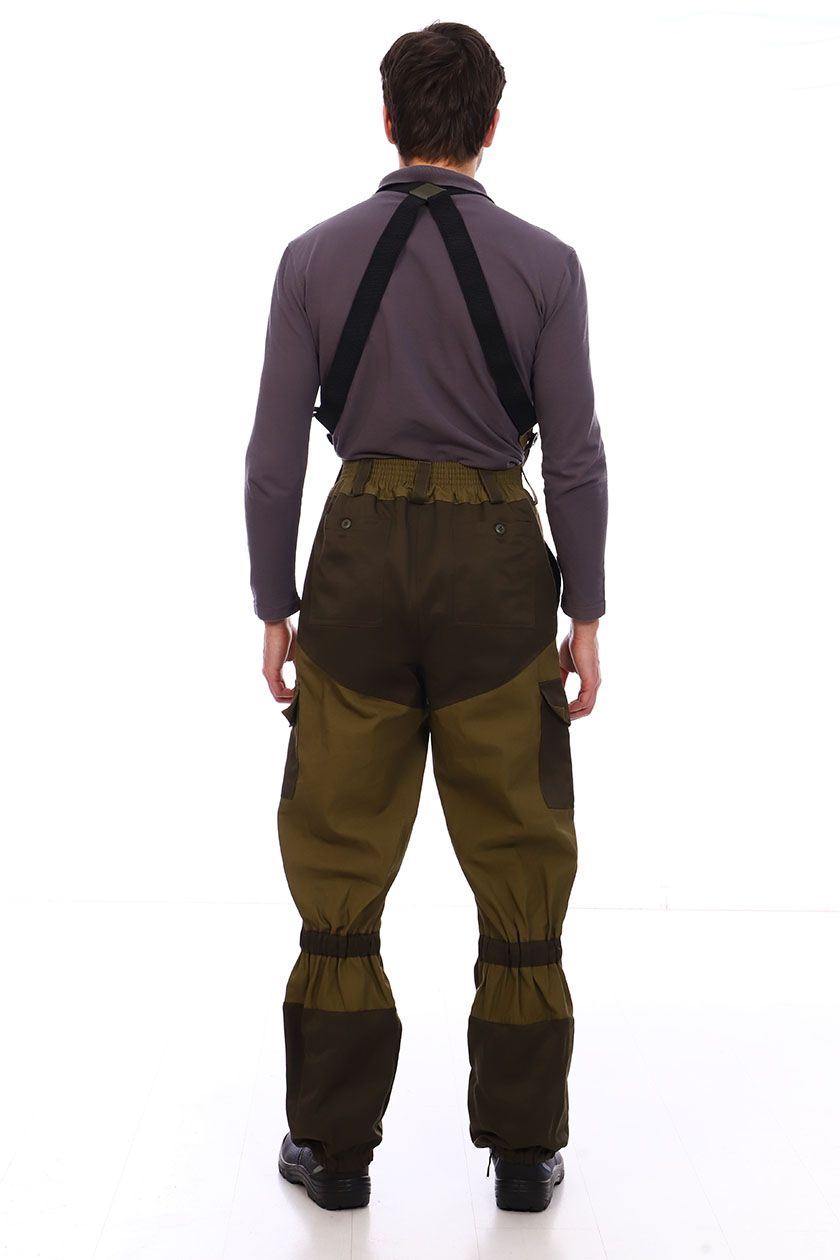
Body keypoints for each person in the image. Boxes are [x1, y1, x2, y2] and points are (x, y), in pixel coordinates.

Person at [244, 20, 607, 1214]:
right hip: (496, 577)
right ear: (491, 126)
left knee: (340, 849)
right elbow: (576, 458)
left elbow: (272, 460)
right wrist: (587, 610)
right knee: (518, 847)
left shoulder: (311, 259)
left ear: (390, 120)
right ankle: (525, 1153)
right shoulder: (548, 265)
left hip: (352, 564)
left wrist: (275, 604)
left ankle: (335, 1150)